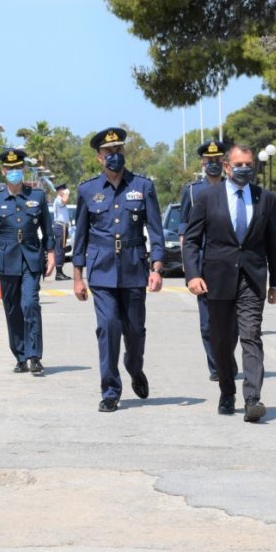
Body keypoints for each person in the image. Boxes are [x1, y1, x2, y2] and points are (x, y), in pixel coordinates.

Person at [183, 143, 276, 422]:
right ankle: (227, 391)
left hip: (252, 278)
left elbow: (273, 243)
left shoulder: (265, 198)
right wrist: (192, 274)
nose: (244, 169)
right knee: (222, 341)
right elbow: (192, 240)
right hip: (217, 278)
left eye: (249, 164)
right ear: (227, 166)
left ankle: (253, 399)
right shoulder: (207, 197)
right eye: (238, 164)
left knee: (251, 336)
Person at [73, 127, 165, 412]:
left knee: (135, 331)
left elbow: (156, 230)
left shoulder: (142, 186)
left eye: (118, 151)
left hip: (135, 268)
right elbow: (81, 237)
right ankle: (111, 390)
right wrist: (78, 277)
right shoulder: (88, 190)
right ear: (100, 158)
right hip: (101, 271)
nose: (114, 156)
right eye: (109, 152)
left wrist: (157, 267)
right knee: (108, 327)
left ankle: (134, 367)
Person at [0, 148, 55, 375]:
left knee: (30, 304)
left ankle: (34, 356)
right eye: (10, 168)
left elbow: (48, 230)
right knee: (12, 309)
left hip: (32, 258)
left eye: (17, 168)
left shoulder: (37, 196)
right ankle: (20, 355)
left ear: (22, 169)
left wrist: (51, 255)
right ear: (3, 171)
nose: (14, 172)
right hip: (6, 258)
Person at [179, 138, 237, 381]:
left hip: (227, 261)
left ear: (223, 162)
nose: (212, 164)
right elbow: (184, 231)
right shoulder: (192, 191)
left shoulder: (234, 187)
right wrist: (189, 267)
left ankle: (226, 359)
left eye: (217, 160)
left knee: (230, 321)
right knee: (207, 322)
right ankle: (217, 367)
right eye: (208, 160)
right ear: (202, 163)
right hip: (202, 260)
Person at [52, 183, 72, 281]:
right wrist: (66, 193)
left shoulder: (58, 200)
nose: (65, 191)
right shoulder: (59, 200)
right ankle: (58, 273)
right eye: (64, 190)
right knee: (59, 249)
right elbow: (64, 200)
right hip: (60, 227)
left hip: (63, 226)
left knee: (62, 249)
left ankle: (60, 272)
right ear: (60, 191)